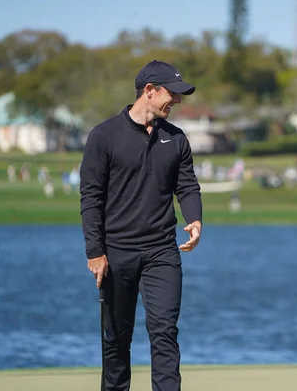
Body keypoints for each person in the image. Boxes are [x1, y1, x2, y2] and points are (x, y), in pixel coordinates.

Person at [79, 60, 203, 391]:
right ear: (149, 91)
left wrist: (194, 219)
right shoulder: (104, 136)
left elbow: (187, 186)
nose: (176, 101)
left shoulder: (176, 139)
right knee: (116, 340)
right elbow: (91, 199)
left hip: (162, 251)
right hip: (116, 254)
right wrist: (95, 251)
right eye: (171, 94)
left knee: (165, 334)